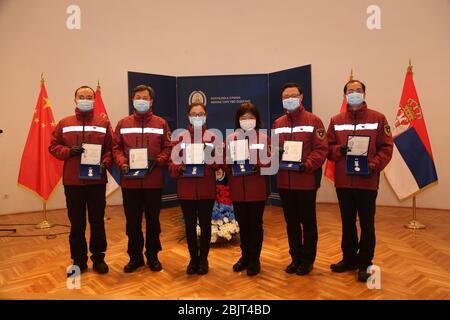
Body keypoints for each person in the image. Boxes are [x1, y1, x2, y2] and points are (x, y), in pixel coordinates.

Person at [327, 79, 393, 282]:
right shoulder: (336, 120)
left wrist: (372, 165)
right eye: (350, 91)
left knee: (367, 224)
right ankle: (349, 259)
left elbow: (387, 148)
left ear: (364, 93)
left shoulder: (378, 118)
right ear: (344, 95)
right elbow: (327, 148)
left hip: (367, 181)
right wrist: (339, 150)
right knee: (347, 223)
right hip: (344, 182)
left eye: (358, 90)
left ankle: (364, 263)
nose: (354, 93)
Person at [49, 85, 112, 276]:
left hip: (96, 182)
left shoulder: (103, 123)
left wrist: (105, 163)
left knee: (97, 222)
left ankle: (99, 258)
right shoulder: (64, 123)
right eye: (82, 96)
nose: (86, 99)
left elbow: (110, 149)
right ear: (75, 99)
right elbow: (53, 147)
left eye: (89, 96)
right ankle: (78, 260)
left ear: (94, 100)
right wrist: (68, 152)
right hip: (73, 182)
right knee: (77, 224)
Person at [112, 84, 172, 273]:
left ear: (151, 101)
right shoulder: (123, 123)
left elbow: (168, 147)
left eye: (145, 98)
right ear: (133, 100)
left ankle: (153, 256)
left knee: (153, 222)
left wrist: (159, 160)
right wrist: (122, 163)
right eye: (138, 97)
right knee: (132, 223)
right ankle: (135, 257)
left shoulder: (161, 123)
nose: (141, 101)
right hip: (130, 183)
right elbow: (116, 148)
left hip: (153, 181)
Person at [272, 83, 328, 275]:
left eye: (293, 95)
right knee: (291, 223)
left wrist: (308, 165)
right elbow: (273, 150)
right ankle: (295, 257)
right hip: (284, 182)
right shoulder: (278, 123)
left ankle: (307, 260)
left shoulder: (314, 121)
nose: (289, 99)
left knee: (308, 222)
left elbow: (321, 149)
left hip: (305, 180)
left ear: (301, 97)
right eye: (285, 96)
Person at [168, 102, 222, 275]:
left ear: (206, 115)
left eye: (200, 114)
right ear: (188, 116)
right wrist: (179, 168)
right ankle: (193, 259)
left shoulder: (214, 137)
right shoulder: (179, 138)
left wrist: (210, 158)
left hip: (206, 189)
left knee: (206, 225)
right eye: (194, 114)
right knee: (190, 226)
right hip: (186, 190)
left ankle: (204, 260)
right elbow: (171, 165)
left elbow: (221, 164)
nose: (197, 117)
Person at [226, 102, 270, 276]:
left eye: (251, 118)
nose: (247, 121)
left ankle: (254, 260)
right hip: (237, 189)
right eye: (243, 118)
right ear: (238, 120)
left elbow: (270, 162)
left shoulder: (264, 138)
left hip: (256, 189)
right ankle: (244, 257)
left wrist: (260, 165)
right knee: (242, 226)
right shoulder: (230, 138)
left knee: (255, 225)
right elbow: (225, 162)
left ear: (257, 119)